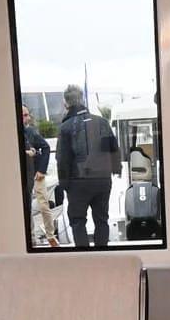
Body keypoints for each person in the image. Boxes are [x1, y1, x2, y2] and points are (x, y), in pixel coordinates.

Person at [56, 83, 120, 248]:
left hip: (78, 182)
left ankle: (84, 257)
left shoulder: (65, 127)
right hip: (102, 179)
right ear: (82, 100)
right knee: (101, 219)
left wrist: (64, 184)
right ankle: (102, 253)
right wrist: (115, 169)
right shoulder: (102, 122)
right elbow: (113, 148)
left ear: (66, 104)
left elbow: (62, 159)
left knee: (77, 221)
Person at [21, 105, 56, 248]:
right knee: (26, 206)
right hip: (23, 175)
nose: (28, 118)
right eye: (25, 115)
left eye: (27, 115)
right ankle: (31, 237)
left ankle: (50, 236)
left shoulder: (31, 132)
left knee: (43, 205)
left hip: (36, 173)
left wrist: (41, 170)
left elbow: (46, 147)